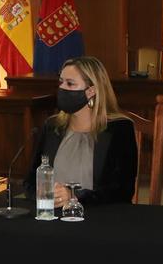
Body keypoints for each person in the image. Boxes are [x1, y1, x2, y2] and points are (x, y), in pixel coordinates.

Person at [27, 56, 138, 208]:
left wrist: (74, 196)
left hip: (99, 217)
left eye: (70, 84)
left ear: (91, 91)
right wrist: (46, 195)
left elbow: (122, 190)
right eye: (61, 82)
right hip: (53, 215)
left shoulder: (119, 129)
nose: (62, 88)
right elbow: (30, 181)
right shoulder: (52, 126)